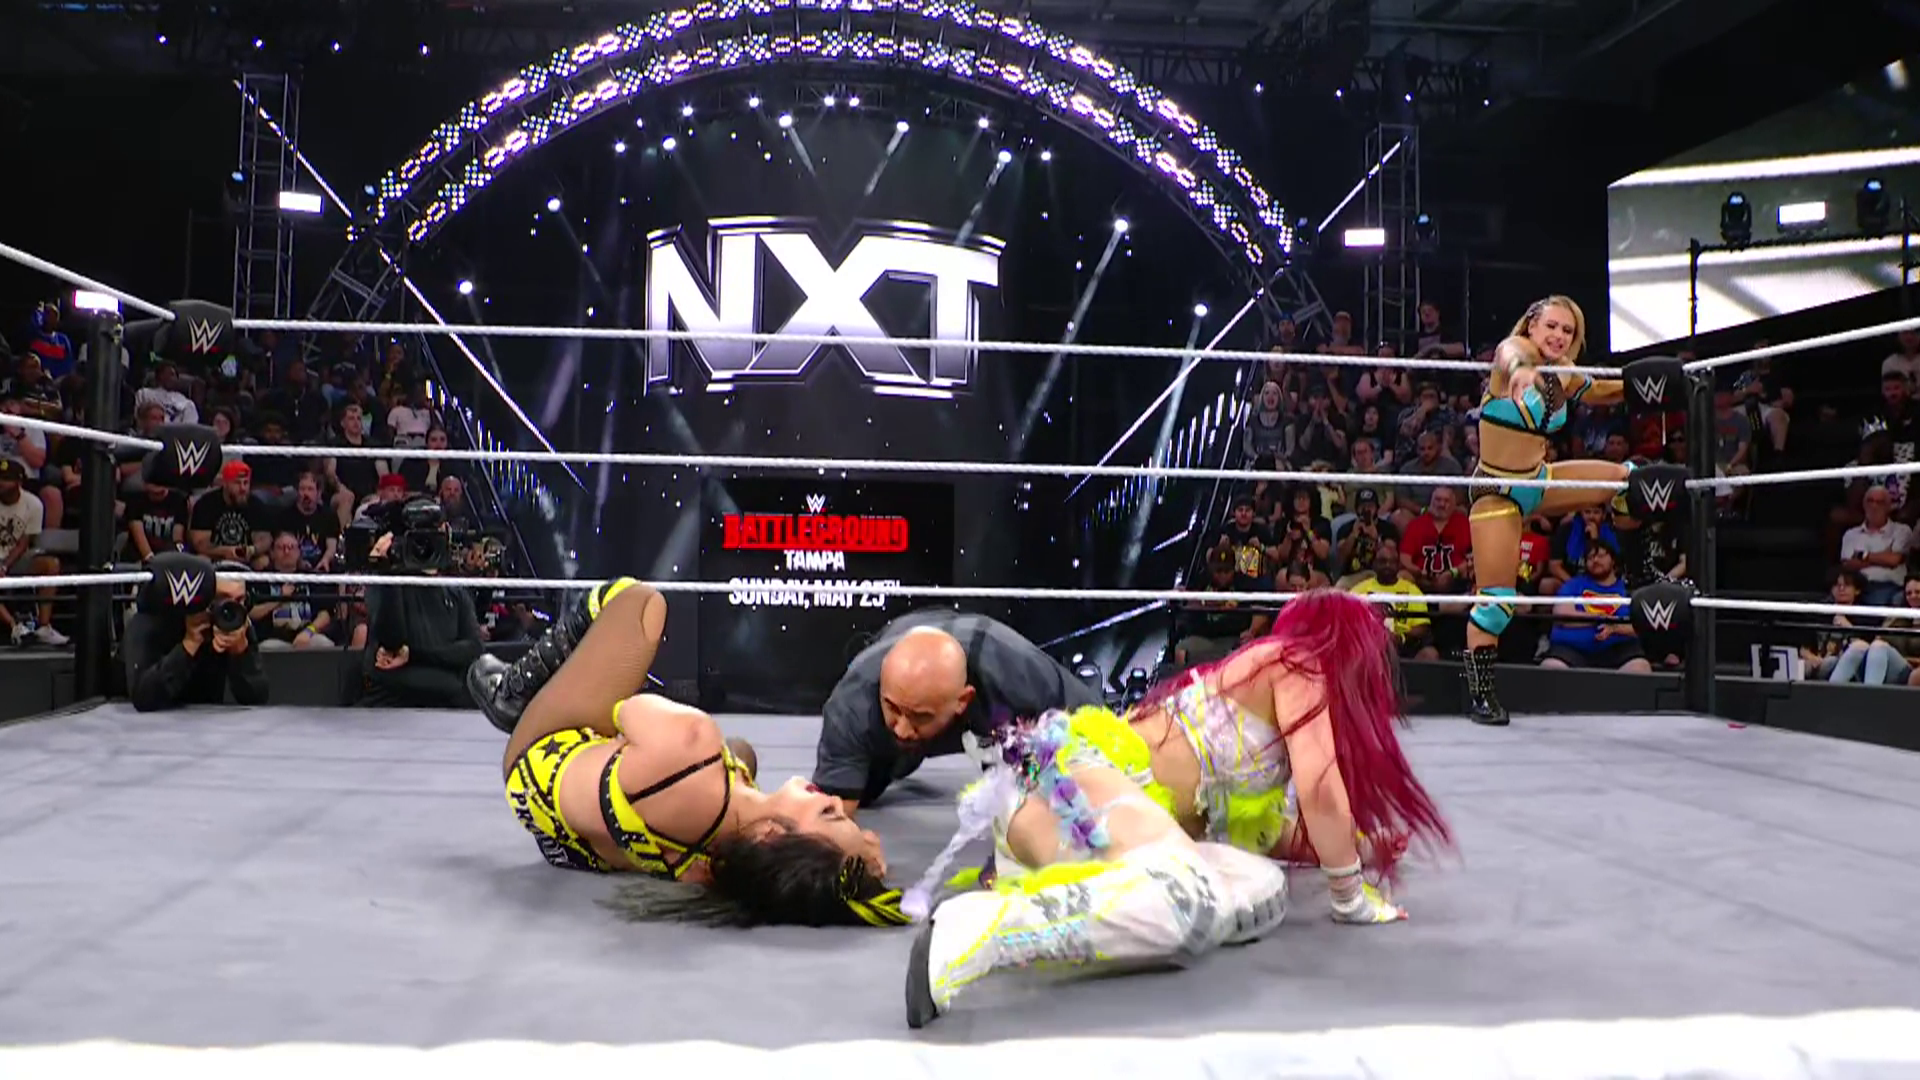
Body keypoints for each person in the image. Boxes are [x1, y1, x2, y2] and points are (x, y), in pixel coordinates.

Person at [902, 589, 1451, 1025]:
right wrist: (1350, 896)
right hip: (1068, 792)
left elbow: (1261, 828)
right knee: (1193, 901)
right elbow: (1322, 791)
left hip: (1086, 820)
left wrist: (1357, 849)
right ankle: (979, 930)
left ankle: (1028, 898)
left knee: (1259, 889)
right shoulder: (1296, 664)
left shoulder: (1262, 688)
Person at [469, 578, 908, 927]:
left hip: (538, 758)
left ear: (772, 836)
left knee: (637, 602)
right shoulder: (724, 868)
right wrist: (860, 862)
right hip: (572, 838)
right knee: (741, 753)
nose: (837, 801)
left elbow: (624, 711)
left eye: (828, 813)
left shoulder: (693, 748)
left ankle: (513, 691)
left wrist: (669, 726)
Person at [1465, 295, 1629, 725]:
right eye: (1551, 326)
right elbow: (1511, 357)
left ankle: (1639, 560)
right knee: (1497, 603)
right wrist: (1522, 374)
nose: (1558, 336)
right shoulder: (1515, 351)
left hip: (1538, 481)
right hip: (1497, 491)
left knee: (1625, 479)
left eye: (1567, 330)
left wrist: (1654, 380)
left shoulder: (1565, 371)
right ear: (1532, 325)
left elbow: (1602, 390)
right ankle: (1480, 694)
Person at [811, 608, 1107, 813]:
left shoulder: (1020, 677)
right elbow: (829, 816)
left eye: (919, 716)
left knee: (1038, 791)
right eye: (893, 708)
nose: (901, 727)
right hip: (905, 632)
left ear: (963, 701)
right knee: (861, 790)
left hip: (1000, 706)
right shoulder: (852, 704)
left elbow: (1110, 737)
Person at [359, 501, 484, 707]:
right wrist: (387, 571)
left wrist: (413, 655)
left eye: (433, 533)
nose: (425, 543)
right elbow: (392, 642)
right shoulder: (389, 582)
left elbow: (473, 648)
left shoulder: (455, 590)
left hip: (446, 701)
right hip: (392, 701)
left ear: (446, 532)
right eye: (419, 535)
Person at [122, 553, 269, 712]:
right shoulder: (154, 620)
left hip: (205, 720)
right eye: (222, 598)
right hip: (135, 720)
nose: (230, 608)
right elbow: (143, 698)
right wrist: (189, 645)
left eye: (240, 600)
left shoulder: (237, 620)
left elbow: (257, 698)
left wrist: (241, 654)